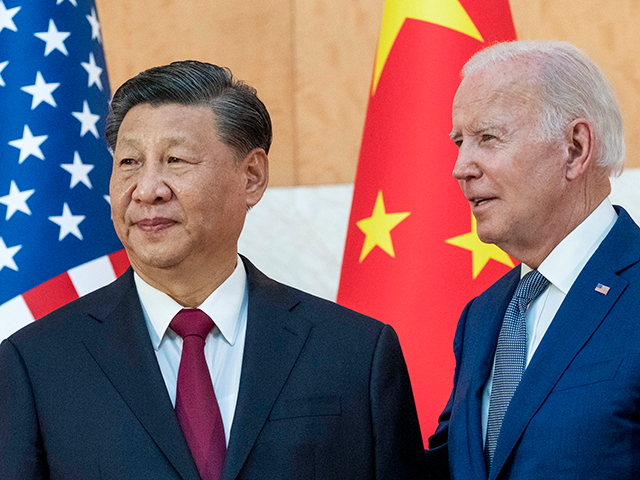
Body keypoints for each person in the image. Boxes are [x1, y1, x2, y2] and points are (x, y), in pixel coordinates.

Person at [0, 61, 427, 480]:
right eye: (129, 162)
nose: (147, 190)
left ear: (252, 177)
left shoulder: (355, 353)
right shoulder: (36, 364)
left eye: (176, 159)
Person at [425, 40, 640, 480]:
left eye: (487, 138)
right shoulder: (482, 315)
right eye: (459, 142)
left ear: (575, 149)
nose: (461, 166)